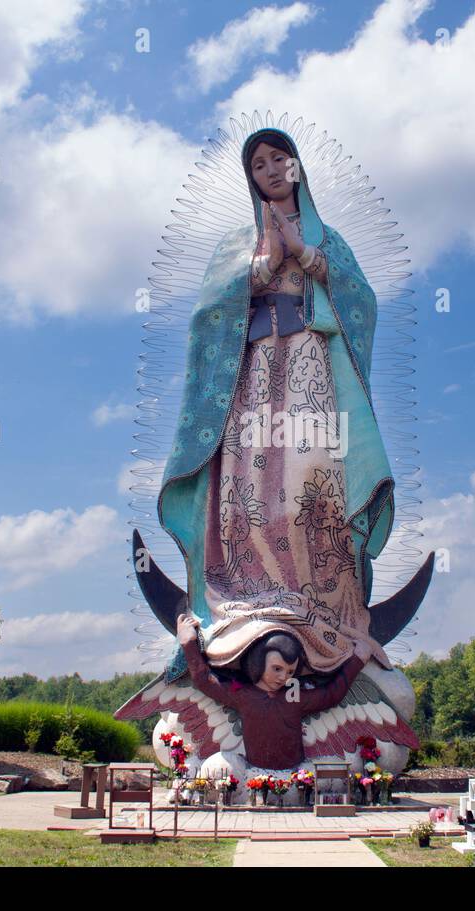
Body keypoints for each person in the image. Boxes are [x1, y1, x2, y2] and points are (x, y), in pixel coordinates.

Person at [157, 126, 395, 684]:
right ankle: (248, 598)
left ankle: (323, 606)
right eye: (258, 162)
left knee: (315, 487)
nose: (269, 168)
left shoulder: (329, 238)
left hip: (312, 368)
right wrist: (262, 267)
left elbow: (363, 302)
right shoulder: (238, 242)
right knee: (250, 487)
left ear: (296, 166)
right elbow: (208, 314)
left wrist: (308, 258)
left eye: (278, 157)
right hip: (256, 376)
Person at [176, 612, 370, 770]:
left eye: (290, 671)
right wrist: (188, 643)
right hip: (253, 772)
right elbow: (205, 680)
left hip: (296, 774)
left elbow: (331, 695)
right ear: (259, 662)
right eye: (277, 669)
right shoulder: (242, 694)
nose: (283, 677)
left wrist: (357, 660)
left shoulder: (295, 697)